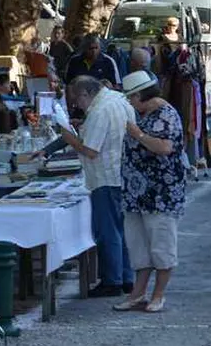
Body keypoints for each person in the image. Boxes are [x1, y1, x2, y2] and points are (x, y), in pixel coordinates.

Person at [113, 71, 185, 313]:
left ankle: (158, 294)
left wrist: (139, 135)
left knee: (161, 244)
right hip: (137, 194)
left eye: (131, 98)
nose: (131, 103)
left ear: (141, 95)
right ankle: (138, 293)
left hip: (160, 194)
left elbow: (165, 147)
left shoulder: (167, 115)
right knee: (139, 246)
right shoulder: (144, 114)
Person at [58, 76, 136, 298]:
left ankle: (112, 279)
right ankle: (125, 277)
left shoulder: (100, 111)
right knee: (121, 229)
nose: (78, 106)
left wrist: (70, 138)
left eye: (78, 100)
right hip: (121, 174)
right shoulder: (119, 100)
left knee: (107, 230)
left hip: (105, 177)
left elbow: (91, 150)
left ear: (85, 94)